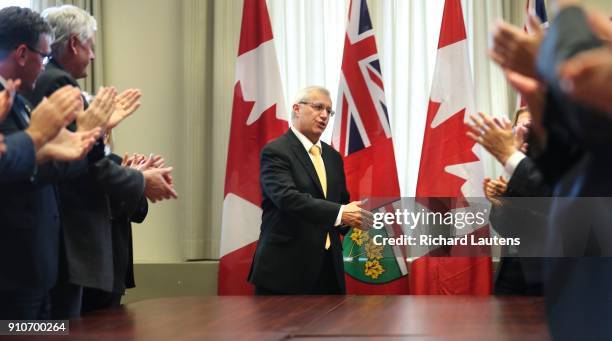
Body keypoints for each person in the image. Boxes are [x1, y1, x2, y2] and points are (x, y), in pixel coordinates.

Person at [27, 5, 177, 318]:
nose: (93, 55)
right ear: (73, 44)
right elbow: (80, 158)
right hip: (70, 241)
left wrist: (113, 148)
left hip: (68, 242)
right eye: (91, 46)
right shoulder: (58, 83)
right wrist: (138, 180)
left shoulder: (49, 79)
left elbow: (82, 151)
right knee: (61, 332)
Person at [0, 6, 101, 319]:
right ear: (21, 53)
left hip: (36, 268)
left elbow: (26, 160)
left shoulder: (16, 99)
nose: (45, 67)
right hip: (12, 271)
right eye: (43, 57)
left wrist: (72, 143)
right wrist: (36, 138)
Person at [248, 86, 373, 295]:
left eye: (329, 111)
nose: (324, 115)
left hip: (328, 270)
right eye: (318, 107)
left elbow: (340, 203)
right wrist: (341, 213)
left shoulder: (332, 157)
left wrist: (353, 218)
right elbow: (287, 199)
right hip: (286, 271)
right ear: (297, 109)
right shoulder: (276, 151)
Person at [467, 109, 549, 296]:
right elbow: (505, 227)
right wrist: (500, 203)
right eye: (519, 126)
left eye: (530, 126)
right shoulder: (514, 171)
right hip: (512, 272)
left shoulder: (558, 167)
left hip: (549, 273)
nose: (524, 132)